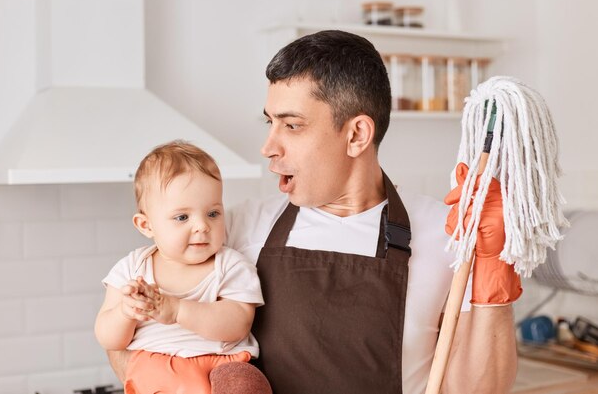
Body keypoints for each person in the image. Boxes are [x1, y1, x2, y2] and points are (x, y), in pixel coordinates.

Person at [108, 30, 521, 394]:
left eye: (291, 125)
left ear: (357, 134)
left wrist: (493, 270)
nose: (268, 146)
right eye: (269, 122)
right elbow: (128, 328)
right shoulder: (234, 228)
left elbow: (475, 390)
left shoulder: (446, 233)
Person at [95, 140, 271, 394]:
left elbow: (237, 325)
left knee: (243, 382)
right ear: (146, 226)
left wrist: (177, 310)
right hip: (156, 367)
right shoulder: (132, 269)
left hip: (220, 366)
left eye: (213, 213)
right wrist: (125, 313)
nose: (202, 226)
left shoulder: (231, 265)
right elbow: (109, 339)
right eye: (182, 217)